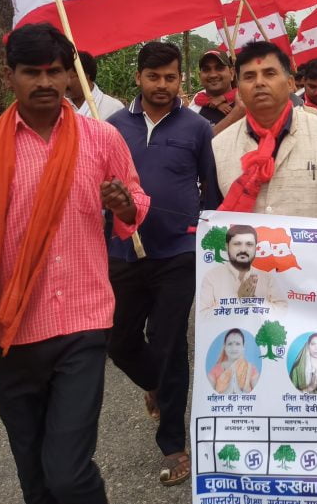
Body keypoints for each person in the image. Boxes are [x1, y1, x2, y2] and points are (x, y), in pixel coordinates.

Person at [0, 23, 149, 504]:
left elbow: (135, 207)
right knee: (35, 479)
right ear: (9, 77)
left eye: (55, 71)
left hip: (83, 325)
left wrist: (124, 205)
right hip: (12, 331)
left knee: (68, 474)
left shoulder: (101, 139)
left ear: (69, 75)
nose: (45, 82)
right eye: (32, 72)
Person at [105, 41, 219, 487]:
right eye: (154, 77)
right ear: (138, 77)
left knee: (168, 343)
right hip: (122, 252)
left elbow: (211, 189)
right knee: (119, 341)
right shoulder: (112, 127)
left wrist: (202, 236)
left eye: (171, 77)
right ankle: (154, 383)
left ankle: (173, 444)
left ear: (180, 79)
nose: (162, 85)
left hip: (178, 252)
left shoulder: (197, 128)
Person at [212, 41, 317, 227]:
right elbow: (210, 215)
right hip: (243, 245)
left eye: (269, 73)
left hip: (314, 245)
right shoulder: (219, 147)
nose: (259, 82)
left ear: (290, 84)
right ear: (239, 89)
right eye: (249, 77)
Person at [199, 224, 287, 314]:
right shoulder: (212, 277)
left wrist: (253, 301)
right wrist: (237, 299)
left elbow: (283, 310)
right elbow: (202, 315)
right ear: (227, 246)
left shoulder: (267, 278)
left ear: (255, 248)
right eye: (237, 244)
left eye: (249, 244)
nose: (243, 250)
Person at [68, 49, 126, 119]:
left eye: (68, 77)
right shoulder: (58, 107)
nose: (63, 82)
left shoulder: (114, 108)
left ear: (85, 75)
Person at [189, 50, 237, 128]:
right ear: (200, 77)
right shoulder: (192, 114)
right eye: (206, 69)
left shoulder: (250, 107)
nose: (213, 75)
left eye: (219, 68)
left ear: (232, 73)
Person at [207, 329, 259, 394]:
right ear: (224, 347)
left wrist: (239, 392)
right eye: (230, 344)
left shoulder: (251, 369)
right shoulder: (215, 370)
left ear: (243, 347)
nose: (233, 348)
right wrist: (229, 390)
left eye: (238, 344)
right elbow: (207, 394)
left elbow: (258, 395)